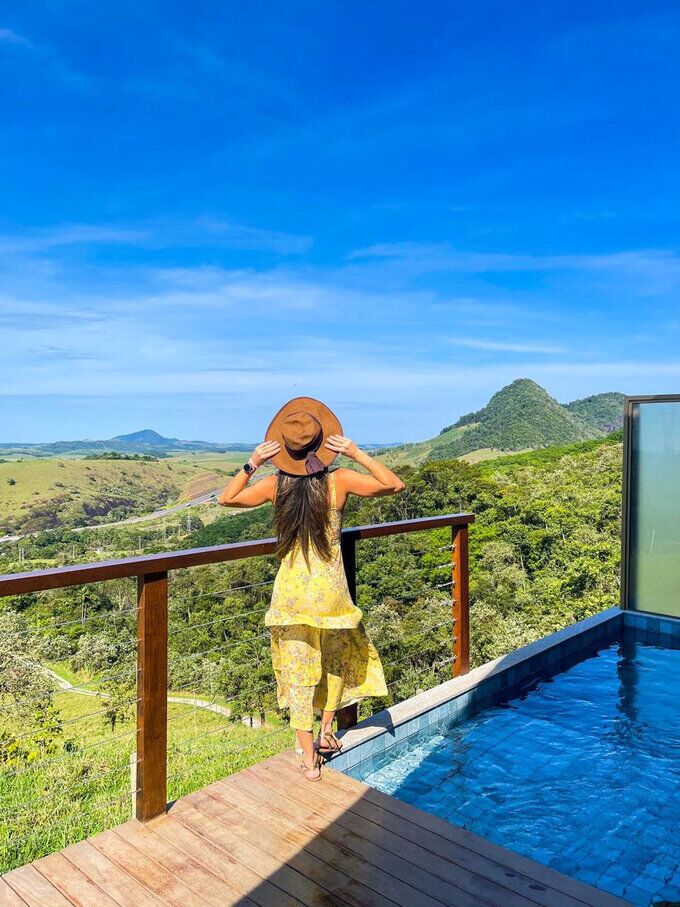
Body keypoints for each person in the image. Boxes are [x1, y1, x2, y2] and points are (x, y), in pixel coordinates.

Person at [218, 397, 405, 780]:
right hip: (332, 594)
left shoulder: (274, 485)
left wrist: (251, 463)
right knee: (334, 663)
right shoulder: (339, 481)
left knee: (298, 672)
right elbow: (394, 484)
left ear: (283, 449)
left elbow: (227, 498)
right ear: (323, 443)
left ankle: (308, 757)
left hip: (291, 596)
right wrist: (355, 453)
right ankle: (327, 732)